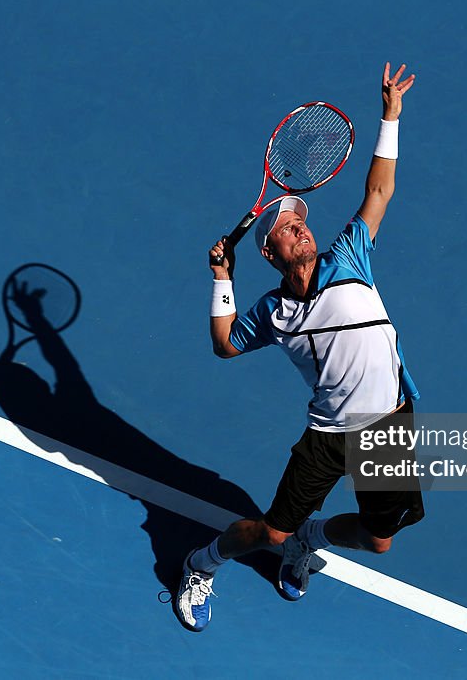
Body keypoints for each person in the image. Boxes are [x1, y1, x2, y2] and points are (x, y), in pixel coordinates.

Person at [174, 62, 425, 632]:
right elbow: (224, 345)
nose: (300, 229)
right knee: (270, 531)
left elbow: (379, 189)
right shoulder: (271, 312)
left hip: (390, 422)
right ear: (270, 252)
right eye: (287, 229)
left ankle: (310, 540)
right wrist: (221, 280)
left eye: (301, 223)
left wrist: (389, 117)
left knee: (379, 541)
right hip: (328, 437)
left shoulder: (350, 257)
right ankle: (200, 564)